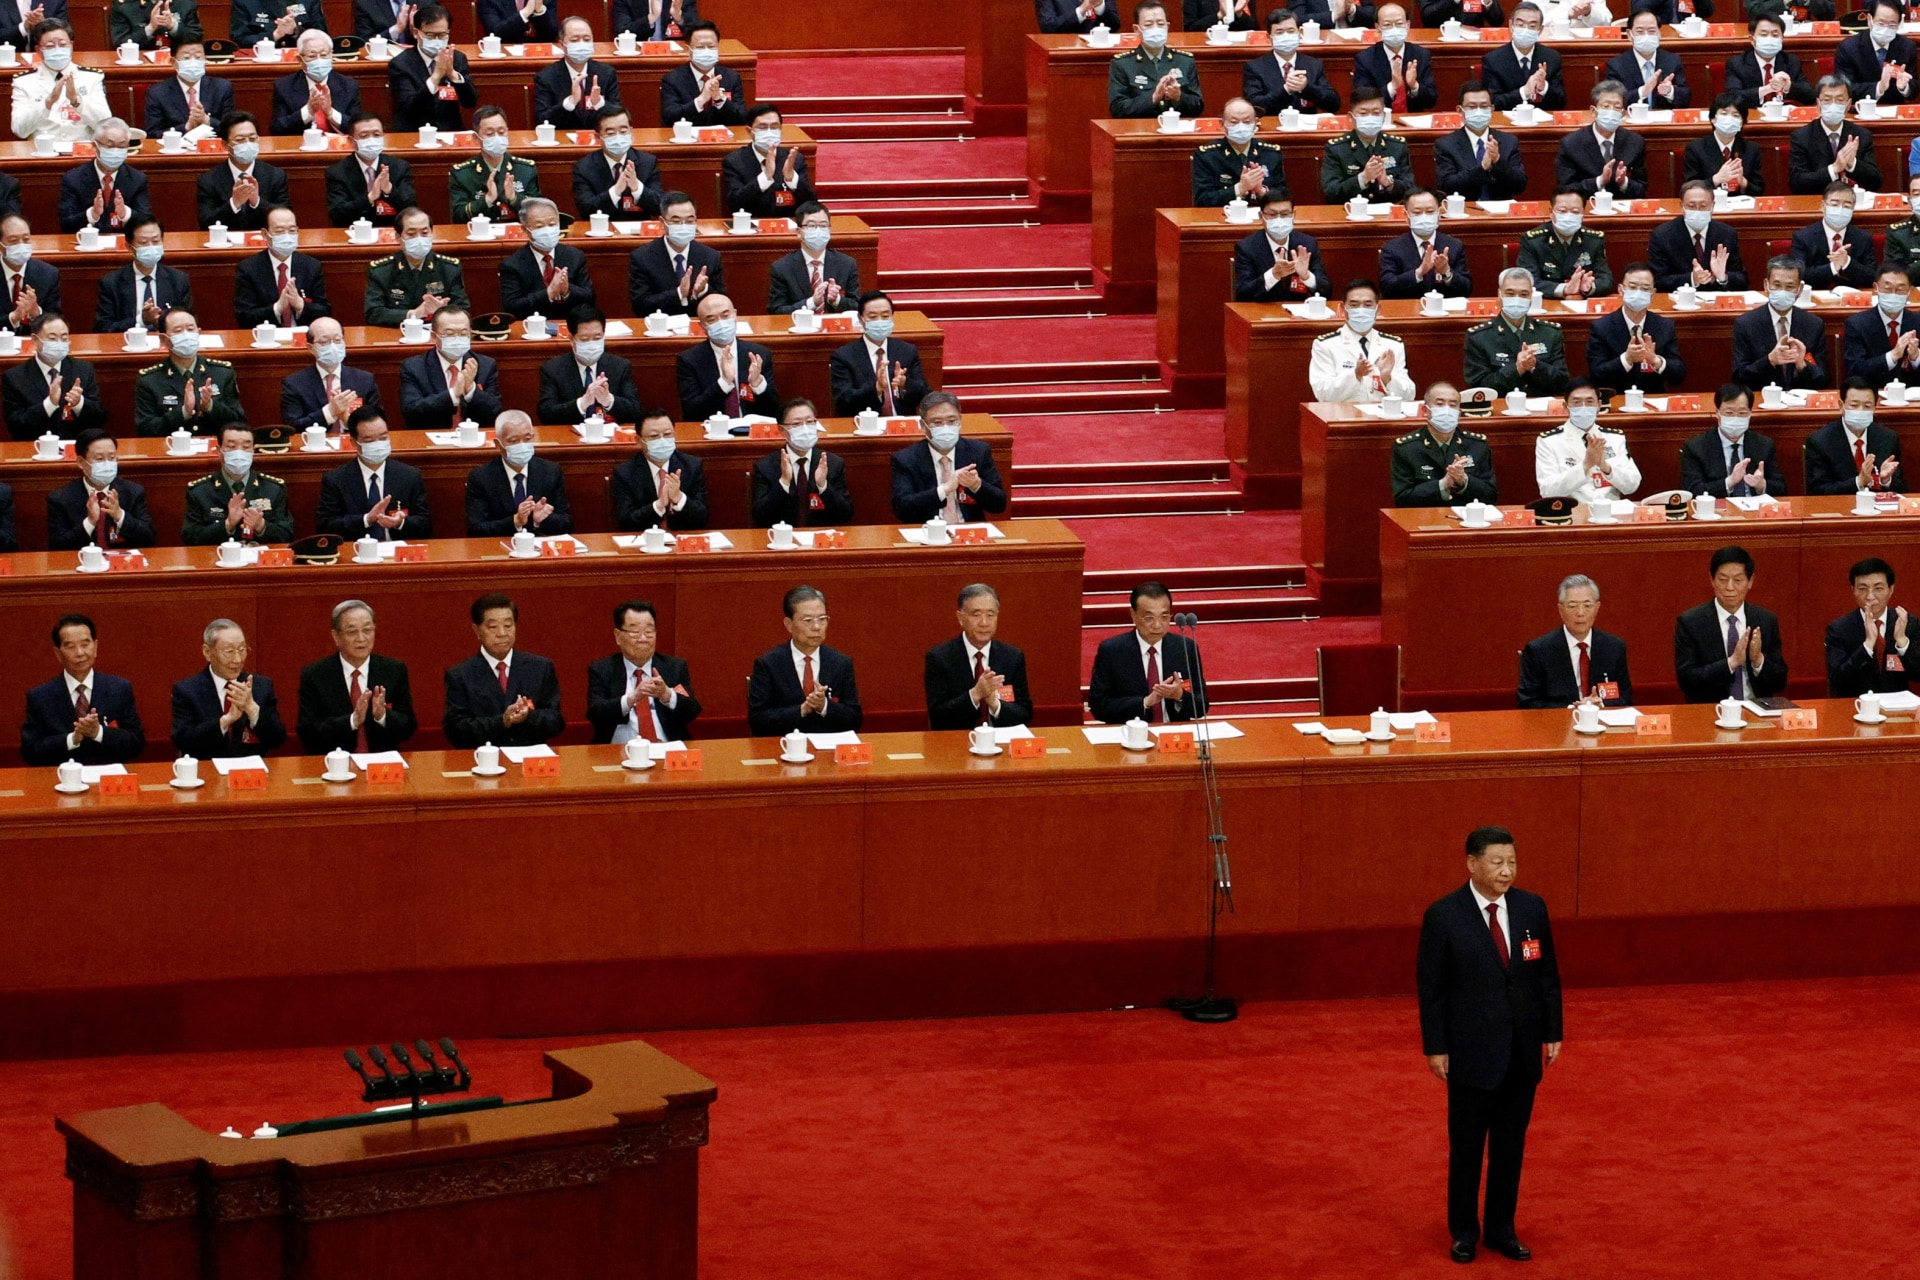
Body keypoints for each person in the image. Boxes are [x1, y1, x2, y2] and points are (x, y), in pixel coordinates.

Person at [1417, 826, 1563, 1266]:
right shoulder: (1444, 915)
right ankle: (1464, 1232)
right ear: (1472, 864)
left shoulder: (1531, 908)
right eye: (1498, 862)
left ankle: (1502, 1229)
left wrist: (1552, 1031)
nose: (1507, 871)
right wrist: (1435, 1045)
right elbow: (1432, 988)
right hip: (1470, 1053)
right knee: (1467, 1148)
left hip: (1520, 1052)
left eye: (1513, 862)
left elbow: (1546, 975)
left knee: (1510, 1146)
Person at [442, 593, 565, 748]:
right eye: (493, 627)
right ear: (477, 630)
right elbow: (455, 730)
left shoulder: (540, 667)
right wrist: (502, 721)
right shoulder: (460, 675)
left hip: (529, 759)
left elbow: (556, 721)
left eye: (508, 625)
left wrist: (528, 717)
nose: (502, 633)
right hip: (483, 760)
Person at [296, 599, 418, 755]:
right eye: (352, 632)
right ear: (336, 637)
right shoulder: (315, 675)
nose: (361, 638)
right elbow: (307, 732)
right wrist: (352, 721)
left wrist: (383, 716)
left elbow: (408, 728)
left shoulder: (393, 670)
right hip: (334, 766)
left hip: (381, 768)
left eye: (367, 630)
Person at [22, 613, 145, 767]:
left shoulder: (119, 689)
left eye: (85, 644)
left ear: (95, 647)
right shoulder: (40, 696)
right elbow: (30, 752)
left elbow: (136, 745)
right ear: (58, 653)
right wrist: (72, 739)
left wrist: (98, 732)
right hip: (60, 782)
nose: (80, 653)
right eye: (70, 646)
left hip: (109, 782)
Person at [1673, 545, 1788, 702]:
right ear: (1712, 580)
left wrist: (1758, 660)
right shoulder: (1691, 623)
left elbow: (1779, 682)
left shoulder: (1765, 620)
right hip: (1711, 710)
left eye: (1738, 580)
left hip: (1757, 710)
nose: (1730, 587)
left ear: (1750, 581)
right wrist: (1731, 663)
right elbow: (1687, 681)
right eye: (1723, 580)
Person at [746, 585, 862, 735]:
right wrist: (802, 709)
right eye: (808, 620)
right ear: (789, 624)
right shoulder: (769, 664)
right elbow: (758, 721)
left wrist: (824, 706)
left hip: (829, 750)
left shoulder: (840, 663)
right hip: (783, 747)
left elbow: (855, 719)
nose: (816, 627)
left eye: (822, 619)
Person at [1088, 580, 1205, 723]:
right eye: (1149, 617)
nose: (1157, 625)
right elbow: (1099, 707)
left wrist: (1180, 695)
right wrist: (1144, 702)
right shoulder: (1112, 651)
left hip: (1174, 738)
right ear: (1133, 615)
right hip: (1130, 735)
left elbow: (1202, 705)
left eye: (1164, 617)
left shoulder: (1186, 648)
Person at [587, 600, 702, 744]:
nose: (643, 639)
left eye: (649, 632)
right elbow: (595, 713)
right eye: (635, 632)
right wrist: (632, 698)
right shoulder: (603, 670)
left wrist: (667, 695)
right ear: (618, 636)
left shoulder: (674, 667)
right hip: (618, 751)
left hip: (666, 749)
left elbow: (692, 711)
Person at [171, 619, 289, 757]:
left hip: (251, 773)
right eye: (229, 651)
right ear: (207, 652)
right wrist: (225, 721)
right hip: (207, 772)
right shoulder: (187, 690)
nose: (237, 659)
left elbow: (277, 740)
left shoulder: (261, 686)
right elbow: (182, 740)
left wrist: (252, 710)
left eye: (242, 650)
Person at [924, 583, 1033, 732]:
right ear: (961, 618)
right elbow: (938, 717)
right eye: (976, 614)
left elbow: (1025, 714)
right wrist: (975, 694)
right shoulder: (939, 658)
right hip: (955, 745)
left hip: (1001, 746)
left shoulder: (1012, 657)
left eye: (990, 614)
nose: (984, 622)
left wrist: (995, 704)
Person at [315, 407, 431, 539]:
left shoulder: (409, 475)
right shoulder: (336, 480)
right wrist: (366, 519)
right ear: (354, 443)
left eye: (383, 438)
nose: (378, 444)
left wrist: (400, 523)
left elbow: (425, 525)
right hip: (357, 552)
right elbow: (325, 527)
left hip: (396, 553)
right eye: (369, 441)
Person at [891, 392, 1005, 523]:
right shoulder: (906, 459)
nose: (946, 428)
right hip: (927, 533)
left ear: (960, 421)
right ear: (923, 426)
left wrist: (976, 485)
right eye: (937, 422)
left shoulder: (978, 451)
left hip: (968, 534)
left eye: (952, 421)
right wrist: (944, 490)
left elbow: (999, 505)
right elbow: (902, 508)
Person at [1517, 575, 1631, 707]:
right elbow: (1528, 702)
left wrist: (1601, 704)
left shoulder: (1614, 647)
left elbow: (1626, 698)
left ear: (1597, 608)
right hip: (1558, 724)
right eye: (1572, 606)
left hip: (1602, 724)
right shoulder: (1539, 650)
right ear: (1561, 609)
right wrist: (1571, 709)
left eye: (1587, 605)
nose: (1580, 613)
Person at [134, 309, 245, 438]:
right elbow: (145, 430)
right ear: (163, 339)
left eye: (191, 329)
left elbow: (239, 421)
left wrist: (210, 407)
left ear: (199, 333)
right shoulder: (149, 380)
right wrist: (183, 413)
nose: (186, 335)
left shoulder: (222, 372)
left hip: (213, 450)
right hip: (171, 451)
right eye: (178, 331)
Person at [1464, 269, 1570, 396]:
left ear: (1531, 296)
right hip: (1501, 407)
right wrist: (1517, 368)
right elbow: (1479, 388)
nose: (1517, 299)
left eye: (1524, 294)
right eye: (1510, 293)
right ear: (1499, 294)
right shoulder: (1479, 337)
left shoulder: (1550, 333)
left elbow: (1562, 382)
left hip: (1539, 406)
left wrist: (1535, 366)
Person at [466, 410, 571, 536]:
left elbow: (567, 523)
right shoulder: (481, 477)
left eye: (527, 439)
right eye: (513, 440)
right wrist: (515, 521)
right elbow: (476, 529)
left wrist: (542, 520)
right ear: (498, 445)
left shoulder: (550, 471)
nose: (522, 446)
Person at [47, 428, 156, 550]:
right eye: (99, 459)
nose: (107, 464)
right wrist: (89, 523)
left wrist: (120, 516)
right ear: (81, 462)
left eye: (112, 457)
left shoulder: (133, 492)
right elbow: (57, 546)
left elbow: (149, 538)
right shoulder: (60, 498)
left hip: (121, 565)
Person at [1534, 378, 1638, 504]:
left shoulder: (1615, 438)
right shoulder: (1549, 441)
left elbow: (1632, 485)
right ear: (1566, 407)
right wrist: (1585, 466)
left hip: (1610, 511)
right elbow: (1548, 491)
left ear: (1599, 405)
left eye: (1589, 402)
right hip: (1572, 512)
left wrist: (1606, 467)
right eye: (1577, 402)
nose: (1583, 407)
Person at [1731, 256, 1828, 391]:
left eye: (1789, 286)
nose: (1782, 292)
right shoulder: (1746, 324)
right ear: (1766, 285)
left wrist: (1802, 366)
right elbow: (1739, 378)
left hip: (1799, 406)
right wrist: (1769, 360)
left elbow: (1823, 379)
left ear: (1799, 289)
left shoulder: (1813, 325)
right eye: (1776, 285)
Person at [1309, 279, 1414, 403]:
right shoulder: (1325, 345)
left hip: (1383, 418)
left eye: (1368, 305)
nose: (1361, 310)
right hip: (1344, 418)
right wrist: (1355, 375)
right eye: (1354, 305)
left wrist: (1387, 378)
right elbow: (1323, 394)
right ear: (1343, 309)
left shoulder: (1393, 345)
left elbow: (1409, 396)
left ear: (1378, 309)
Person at [1392, 381, 1496, 507]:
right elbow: (1403, 500)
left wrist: (1464, 481)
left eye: (1453, 405)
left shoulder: (1477, 445)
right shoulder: (1407, 448)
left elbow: (1490, 496)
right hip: (1425, 519)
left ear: (1459, 412)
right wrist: (1443, 484)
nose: (1447, 410)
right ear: (1426, 410)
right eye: (1440, 404)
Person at [1585, 262, 1685, 394]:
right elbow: (1597, 374)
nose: (1638, 293)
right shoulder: (1601, 327)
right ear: (1621, 290)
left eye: (1645, 289)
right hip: (1616, 399)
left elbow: (1678, 375)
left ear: (1653, 293)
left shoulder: (1665, 326)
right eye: (1632, 287)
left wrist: (1655, 360)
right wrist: (1626, 359)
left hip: (1652, 401)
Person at [752, 398, 853, 527]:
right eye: (797, 424)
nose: (805, 428)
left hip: (820, 540)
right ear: (782, 430)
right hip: (783, 541)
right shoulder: (765, 466)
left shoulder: (832, 463)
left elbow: (845, 514)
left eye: (810, 422)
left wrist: (823, 486)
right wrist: (783, 482)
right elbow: (759, 517)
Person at [182, 424, 290, 544]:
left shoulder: (273, 488)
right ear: (219, 451)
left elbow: (287, 535)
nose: (239, 453)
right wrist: (228, 524)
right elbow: (190, 538)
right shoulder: (200, 491)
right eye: (231, 446)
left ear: (253, 451)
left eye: (246, 447)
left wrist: (261, 526)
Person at [399, 305, 502, 431]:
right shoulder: (413, 367)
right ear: (434, 335)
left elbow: (495, 411)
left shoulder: (485, 365)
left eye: (463, 334)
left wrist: (471, 390)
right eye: (450, 334)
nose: (457, 339)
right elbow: (411, 411)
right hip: (431, 440)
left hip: (474, 441)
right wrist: (452, 394)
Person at [4, 312, 104, 440]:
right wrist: (49, 404)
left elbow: (99, 418)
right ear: (35, 340)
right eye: (52, 338)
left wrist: (79, 403)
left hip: (76, 447)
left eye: (64, 338)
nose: (59, 343)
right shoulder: (15, 377)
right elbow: (16, 426)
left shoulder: (83, 370)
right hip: (35, 447)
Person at [830, 291, 930, 417]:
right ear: (861, 319)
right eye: (872, 317)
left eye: (885, 315)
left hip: (901, 425)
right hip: (864, 425)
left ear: (892, 317)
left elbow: (925, 394)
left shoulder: (907, 351)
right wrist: (876, 389)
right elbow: (843, 400)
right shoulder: (843, 356)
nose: (880, 321)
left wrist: (905, 384)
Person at [678, 292, 775, 421]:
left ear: (735, 314)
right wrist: (724, 383)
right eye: (711, 319)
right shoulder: (689, 360)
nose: (721, 323)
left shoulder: (758, 355)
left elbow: (773, 410)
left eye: (725, 315)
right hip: (712, 432)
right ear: (702, 326)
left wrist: (758, 384)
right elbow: (692, 412)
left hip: (750, 433)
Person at [1826, 558, 1916, 697]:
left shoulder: (1906, 622)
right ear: (1853, 590)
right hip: (1854, 707)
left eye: (1878, 588)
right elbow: (1838, 680)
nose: (1870, 596)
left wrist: (1902, 642)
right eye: (1862, 589)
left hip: (1898, 709)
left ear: (1890, 589)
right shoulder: (1839, 629)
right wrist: (1867, 646)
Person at [366, 208, 470, 327]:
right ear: (398, 237)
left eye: (425, 233)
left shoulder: (449, 268)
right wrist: (414, 314)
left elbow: (463, 309)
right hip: (397, 333)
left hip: (435, 334)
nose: (419, 239)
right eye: (411, 234)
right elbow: (373, 313)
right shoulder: (382, 271)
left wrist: (443, 313)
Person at [538, 305, 641, 424]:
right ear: (571, 339)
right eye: (584, 339)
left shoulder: (620, 366)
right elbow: (546, 414)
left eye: (597, 338)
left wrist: (609, 400)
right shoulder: (552, 369)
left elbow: (636, 412)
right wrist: (582, 403)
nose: (591, 344)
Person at [10, 20, 110, 142]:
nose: (57, 50)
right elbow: (20, 130)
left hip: (82, 152)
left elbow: (105, 125)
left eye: (63, 45)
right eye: (50, 46)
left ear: (71, 46)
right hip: (42, 153)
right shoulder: (24, 82)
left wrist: (76, 101)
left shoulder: (91, 77)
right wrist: (47, 104)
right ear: (38, 50)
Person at [612, 407, 710, 531]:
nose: (662, 441)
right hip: (644, 543)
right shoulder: (625, 473)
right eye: (654, 436)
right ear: (639, 440)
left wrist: (679, 498)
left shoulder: (692, 466)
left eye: (668, 434)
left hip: (681, 541)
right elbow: (626, 522)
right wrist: (658, 505)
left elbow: (702, 517)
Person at [1680, 384, 1784, 498]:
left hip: (1754, 512)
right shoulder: (1695, 447)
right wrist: (1729, 482)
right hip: (1718, 511)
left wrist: (1761, 485)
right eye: (1729, 413)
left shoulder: (1764, 445)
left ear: (1750, 414)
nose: (1736, 418)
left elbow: (1781, 489)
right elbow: (1693, 491)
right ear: (1717, 413)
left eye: (1742, 413)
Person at [630, 191, 724, 316]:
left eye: (690, 221)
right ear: (662, 223)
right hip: (660, 328)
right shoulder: (642, 257)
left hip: (698, 328)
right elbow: (640, 305)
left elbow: (722, 301)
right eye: (676, 221)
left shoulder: (711, 256)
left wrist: (703, 290)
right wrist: (679, 293)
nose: (683, 226)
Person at [281, 317, 381, 435]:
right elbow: (293, 427)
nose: (332, 346)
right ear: (310, 348)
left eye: (338, 340)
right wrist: (330, 411)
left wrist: (347, 420)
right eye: (324, 342)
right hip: (316, 448)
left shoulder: (364, 380)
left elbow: (378, 424)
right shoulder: (294, 383)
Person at [234, 205, 330, 328]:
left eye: (292, 231)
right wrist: (277, 308)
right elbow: (244, 317)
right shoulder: (249, 269)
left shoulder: (311, 266)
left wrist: (300, 304)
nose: (287, 236)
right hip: (267, 339)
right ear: (264, 234)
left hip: (303, 339)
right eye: (279, 231)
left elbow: (325, 312)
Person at [1805, 377, 1904, 495]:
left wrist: (1886, 480)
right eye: (1854, 405)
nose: (1860, 411)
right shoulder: (1820, 442)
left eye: (1867, 406)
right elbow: (1818, 491)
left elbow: (1902, 489)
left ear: (1874, 407)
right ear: (1841, 406)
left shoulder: (1887, 438)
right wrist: (1858, 482)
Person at [195, 112, 290, 233]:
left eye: (252, 138)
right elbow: (205, 223)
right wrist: (234, 204)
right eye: (240, 140)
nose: (248, 144)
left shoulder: (275, 175)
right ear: (225, 145)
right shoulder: (208, 180)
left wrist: (257, 201)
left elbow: (287, 219)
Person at [94, 216, 192, 333]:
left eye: (156, 241)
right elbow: (104, 328)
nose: (151, 247)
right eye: (143, 243)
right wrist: (142, 320)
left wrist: (161, 322)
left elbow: (188, 322)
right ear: (129, 247)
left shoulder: (178, 280)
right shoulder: (112, 283)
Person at [501, 197, 594, 320]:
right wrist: (549, 293)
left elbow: (590, 298)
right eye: (539, 226)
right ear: (525, 230)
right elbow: (512, 307)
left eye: (551, 224)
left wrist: (567, 290)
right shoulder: (512, 265)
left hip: (569, 325)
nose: (547, 231)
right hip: (532, 329)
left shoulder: (575, 256)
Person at [1107, 2, 1202, 119]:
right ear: (1136, 29)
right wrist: (1153, 98)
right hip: (1139, 131)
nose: (1155, 29)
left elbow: (1198, 106)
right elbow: (1117, 109)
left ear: (1167, 26)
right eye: (1148, 24)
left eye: (1160, 24)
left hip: (1177, 130)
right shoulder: (1122, 64)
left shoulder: (1185, 61)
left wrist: (1179, 97)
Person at [1647, 181, 1747, 292]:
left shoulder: (1727, 234)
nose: (1697, 211)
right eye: (1691, 206)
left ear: (1712, 206)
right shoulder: (1663, 235)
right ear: (1682, 206)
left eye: (1703, 206)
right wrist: (1691, 279)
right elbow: (1657, 281)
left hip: (1715, 303)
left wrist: (1723, 277)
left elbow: (1742, 280)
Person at [1435, 81, 1527, 202]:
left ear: (1492, 109)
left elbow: (1519, 186)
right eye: (1472, 107)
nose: (1478, 111)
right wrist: (1482, 168)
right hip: (1465, 210)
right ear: (1459, 110)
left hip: (1500, 212)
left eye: (1484, 106)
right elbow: (1446, 185)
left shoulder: (1509, 141)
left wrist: (1498, 161)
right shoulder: (1446, 144)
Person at [56, 118, 150, 235]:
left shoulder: (137, 179)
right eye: (110, 146)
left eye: (121, 146)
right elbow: (66, 224)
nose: (115, 151)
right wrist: (92, 214)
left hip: (123, 247)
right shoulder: (73, 179)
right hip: (87, 246)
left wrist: (125, 213)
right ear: (95, 146)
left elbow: (147, 223)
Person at [389, 5, 475, 132]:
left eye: (442, 35)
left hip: (450, 132)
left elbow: (470, 102)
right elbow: (409, 109)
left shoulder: (456, 58)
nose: (437, 40)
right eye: (430, 35)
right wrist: (435, 77)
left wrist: (453, 76)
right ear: (415, 33)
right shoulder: (401, 64)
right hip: (414, 133)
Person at [1789, 77, 1881, 195]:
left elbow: (1876, 182)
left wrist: (1852, 164)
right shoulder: (1801, 137)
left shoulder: (1861, 135)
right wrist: (1833, 169)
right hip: (1818, 202)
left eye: (1839, 100)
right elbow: (1797, 184)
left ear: (1848, 105)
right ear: (1818, 104)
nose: (1833, 105)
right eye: (1827, 100)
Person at [1319, 87, 1413, 203]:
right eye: (1363, 113)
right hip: (1350, 213)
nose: (1370, 118)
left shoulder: (1397, 146)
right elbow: (1331, 192)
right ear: (1351, 118)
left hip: (1388, 215)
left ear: (1384, 116)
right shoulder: (1336, 148)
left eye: (1376, 113)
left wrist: (1388, 183)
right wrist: (1363, 178)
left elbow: (1409, 189)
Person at [450, 106, 541, 224]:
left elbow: (538, 212)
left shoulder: (525, 169)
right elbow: (458, 216)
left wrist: (514, 198)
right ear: (476, 138)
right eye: (489, 133)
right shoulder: (462, 174)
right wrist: (487, 200)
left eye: (501, 132)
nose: (497, 137)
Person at [1555, 81, 1646, 198]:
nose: (1611, 112)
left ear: (1623, 114)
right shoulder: (1571, 144)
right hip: (1587, 208)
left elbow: (1642, 189)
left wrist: (1624, 182)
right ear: (1593, 111)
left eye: (1617, 107)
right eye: (1606, 106)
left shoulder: (1635, 142)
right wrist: (1599, 181)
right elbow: (1565, 189)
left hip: (1623, 211)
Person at [723, 104, 816, 218]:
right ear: (749, 131)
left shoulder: (794, 160)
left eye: (774, 127)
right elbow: (735, 204)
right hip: (751, 228)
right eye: (762, 127)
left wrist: (792, 179)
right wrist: (765, 178)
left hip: (788, 229)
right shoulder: (734, 161)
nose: (769, 132)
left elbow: (811, 204)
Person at [573, 106, 665, 221]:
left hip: (638, 234)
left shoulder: (647, 162)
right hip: (602, 232)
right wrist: (615, 192)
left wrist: (637, 188)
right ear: (598, 137)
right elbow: (585, 211)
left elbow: (660, 207)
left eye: (623, 131)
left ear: (631, 131)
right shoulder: (584, 167)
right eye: (611, 133)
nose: (618, 137)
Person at [1191, 98, 1287, 208]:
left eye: (1246, 122)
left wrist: (1262, 192)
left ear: (1256, 123)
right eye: (1234, 122)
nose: (1241, 127)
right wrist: (1240, 189)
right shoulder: (1207, 156)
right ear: (1222, 124)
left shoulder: (1271, 153)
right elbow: (1202, 201)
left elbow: (1283, 198)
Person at [1241, 9, 1338, 116]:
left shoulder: (1314, 65)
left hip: (1306, 128)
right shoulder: (1255, 67)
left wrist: (1306, 88)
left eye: (1291, 31)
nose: (1286, 36)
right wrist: (1286, 90)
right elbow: (1254, 106)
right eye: (1279, 32)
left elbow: (1333, 104)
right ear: (1269, 37)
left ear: (1299, 33)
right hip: (1273, 125)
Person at [1231, 194, 1324, 305]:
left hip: (1299, 316)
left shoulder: (1307, 244)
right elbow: (1243, 294)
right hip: (1261, 313)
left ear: (1293, 215)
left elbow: (1326, 291)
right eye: (1272, 214)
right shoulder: (1247, 248)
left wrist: (1306, 277)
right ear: (1261, 216)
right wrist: (1273, 275)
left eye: (1285, 214)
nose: (1279, 219)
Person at [1518, 188, 1611, 300]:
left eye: (1575, 212)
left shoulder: (1593, 240)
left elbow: (1606, 280)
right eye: (1562, 211)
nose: (1568, 216)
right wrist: (1565, 289)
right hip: (1546, 303)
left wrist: (1589, 287)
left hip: (1580, 303)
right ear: (1551, 213)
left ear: (1583, 214)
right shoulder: (1533, 241)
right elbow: (1528, 281)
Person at [327, 114, 417, 228]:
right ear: (351, 141)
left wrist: (389, 190)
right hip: (354, 234)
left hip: (391, 234)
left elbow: (410, 209)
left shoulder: (399, 167)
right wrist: (370, 198)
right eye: (364, 136)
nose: (371, 140)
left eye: (376, 135)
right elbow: (337, 215)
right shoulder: (337, 172)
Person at [769, 201, 859, 315]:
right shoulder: (782, 268)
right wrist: (811, 303)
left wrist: (836, 300)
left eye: (823, 226)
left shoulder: (847, 264)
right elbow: (776, 311)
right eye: (811, 226)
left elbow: (858, 307)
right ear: (798, 232)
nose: (818, 231)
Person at [534, 16, 623, 132]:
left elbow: (619, 117)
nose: (581, 44)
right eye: (575, 40)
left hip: (597, 141)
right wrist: (569, 103)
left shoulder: (606, 73)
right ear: (562, 45)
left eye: (587, 39)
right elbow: (542, 120)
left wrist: (600, 104)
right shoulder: (546, 77)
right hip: (562, 143)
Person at [1379, 188, 1470, 299]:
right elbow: (1386, 288)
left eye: (1430, 212)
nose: (1424, 217)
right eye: (1417, 212)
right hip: (1408, 311)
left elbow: (1467, 289)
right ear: (1406, 215)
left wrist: (1447, 272)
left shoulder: (1454, 246)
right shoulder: (1392, 248)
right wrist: (1419, 272)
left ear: (1439, 213)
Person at [270, 28, 360, 136]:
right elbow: (277, 129)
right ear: (300, 60)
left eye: (323, 55)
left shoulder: (349, 86)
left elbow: (358, 127)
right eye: (312, 56)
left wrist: (331, 114)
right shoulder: (284, 86)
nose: (319, 60)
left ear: (331, 55)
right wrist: (307, 111)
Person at [1845, 264, 1920, 388]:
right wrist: (1892, 356)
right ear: (1876, 288)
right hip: (1873, 395)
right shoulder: (1857, 324)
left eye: (1900, 289)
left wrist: (1916, 358)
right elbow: (1855, 370)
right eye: (1887, 288)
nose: (1893, 294)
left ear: (1910, 291)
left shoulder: (1917, 322)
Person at [1479, 4, 1564, 111]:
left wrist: (1544, 88)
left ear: (1540, 30)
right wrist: (1523, 92)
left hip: (1541, 123)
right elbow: (1493, 102)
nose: (1525, 30)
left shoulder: (1551, 57)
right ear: (1511, 25)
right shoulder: (1493, 60)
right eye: (1520, 24)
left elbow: (1561, 102)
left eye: (1532, 26)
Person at [1792, 184, 1876, 291]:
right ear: (1823, 206)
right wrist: (1833, 267)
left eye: (1846, 206)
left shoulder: (1863, 238)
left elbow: (1872, 277)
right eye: (1835, 205)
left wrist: (1847, 262)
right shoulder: (1803, 237)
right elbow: (1799, 276)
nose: (1840, 210)